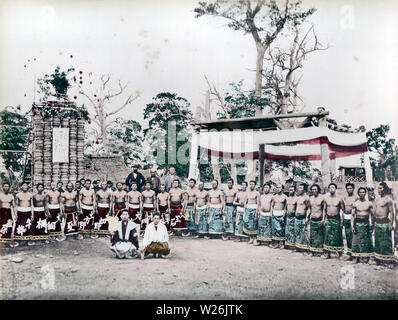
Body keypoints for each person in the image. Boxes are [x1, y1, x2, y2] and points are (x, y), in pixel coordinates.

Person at [373, 182, 395, 266]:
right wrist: (373, 222)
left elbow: (392, 212)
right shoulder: (377, 199)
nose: (379, 190)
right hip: (377, 223)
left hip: (385, 222)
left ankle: (388, 260)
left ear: (384, 189)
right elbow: (374, 211)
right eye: (378, 188)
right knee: (378, 241)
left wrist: (391, 224)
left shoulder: (388, 200)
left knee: (386, 241)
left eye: (381, 188)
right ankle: (379, 259)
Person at [351, 187, 374, 263]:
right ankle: (356, 257)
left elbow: (372, 215)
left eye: (363, 192)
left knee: (366, 240)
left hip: (366, 223)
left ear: (365, 193)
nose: (361, 194)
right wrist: (352, 225)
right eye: (360, 192)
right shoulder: (355, 203)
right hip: (357, 223)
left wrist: (372, 225)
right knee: (356, 240)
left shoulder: (369, 203)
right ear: (358, 193)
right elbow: (352, 215)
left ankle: (366, 257)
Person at [323, 183, 344, 259]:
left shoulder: (339, 198)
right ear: (328, 189)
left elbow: (342, 210)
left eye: (333, 187)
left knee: (337, 236)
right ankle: (327, 253)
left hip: (337, 219)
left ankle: (340, 253)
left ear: (335, 189)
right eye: (330, 188)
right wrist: (324, 219)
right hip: (329, 219)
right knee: (328, 236)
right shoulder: (326, 199)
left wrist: (342, 221)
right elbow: (324, 210)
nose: (331, 189)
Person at [13, 181, 34, 246]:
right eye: (23, 185)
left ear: (28, 187)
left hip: (28, 211)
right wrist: (15, 214)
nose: (25, 187)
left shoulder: (30, 195)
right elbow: (16, 205)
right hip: (20, 212)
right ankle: (18, 240)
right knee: (20, 225)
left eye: (26, 185)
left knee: (28, 226)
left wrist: (32, 214)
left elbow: (32, 205)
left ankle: (28, 240)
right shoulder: (18, 195)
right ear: (21, 186)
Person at [308, 184, 325, 256]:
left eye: (315, 189)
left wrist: (323, 219)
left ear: (318, 189)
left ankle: (321, 251)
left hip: (320, 218)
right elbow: (309, 209)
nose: (314, 191)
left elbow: (324, 209)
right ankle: (312, 251)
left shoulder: (322, 198)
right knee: (312, 236)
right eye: (313, 189)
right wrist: (307, 217)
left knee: (320, 236)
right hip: (313, 219)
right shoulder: (310, 198)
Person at [342, 183, 357, 260]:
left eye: (351, 188)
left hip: (353, 218)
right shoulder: (344, 197)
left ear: (353, 189)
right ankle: (349, 251)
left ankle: (355, 253)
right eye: (348, 188)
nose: (349, 190)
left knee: (354, 235)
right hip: (346, 217)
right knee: (347, 234)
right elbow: (343, 209)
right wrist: (342, 219)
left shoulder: (356, 198)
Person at [295, 183, 310, 254]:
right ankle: (298, 247)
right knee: (297, 232)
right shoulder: (297, 197)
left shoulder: (306, 198)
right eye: (299, 188)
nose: (299, 189)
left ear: (304, 189)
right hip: (297, 217)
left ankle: (305, 249)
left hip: (303, 217)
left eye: (301, 188)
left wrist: (307, 217)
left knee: (304, 233)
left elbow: (308, 208)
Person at [243, 180, 259, 245]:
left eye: (253, 184)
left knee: (254, 224)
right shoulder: (247, 193)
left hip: (254, 209)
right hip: (248, 209)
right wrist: (244, 211)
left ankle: (255, 239)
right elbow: (245, 203)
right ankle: (251, 238)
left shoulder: (257, 193)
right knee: (249, 224)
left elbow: (258, 203)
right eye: (250, 184)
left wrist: (256, 212)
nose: (251, 185)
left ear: (255, 185)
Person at [270, 183, 287, 249]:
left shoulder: (285, 197)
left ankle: (282, 243)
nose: (278, 188)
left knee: (281, 229)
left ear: (282, 188)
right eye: (277, 187)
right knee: (275, 229)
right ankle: (276, 243)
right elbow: (272, 206)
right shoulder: (274, 197)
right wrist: (271, 214)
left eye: (279, 187)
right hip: (275, 213)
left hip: (281, 214)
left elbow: (285, 207)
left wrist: (283, 216)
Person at [0, 182, 15, 246]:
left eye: (7, 186)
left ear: (9, 187)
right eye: (5, 186)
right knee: (1, 226)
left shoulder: (11, 196)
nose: (6, 188)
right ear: (2, 187)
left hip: (9, 212)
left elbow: (14, 206)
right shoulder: (0, 195)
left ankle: (8, 241)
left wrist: (15, 214)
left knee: (9, 226)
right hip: (1, 212)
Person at [285, 185, 297, 250]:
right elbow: (285, 208)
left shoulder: (296, 198)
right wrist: (284, 216)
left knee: (294, 231)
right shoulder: (287, 198)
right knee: (288, 231)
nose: (290, 191)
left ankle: (294, 245)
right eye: (290, 190)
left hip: (294, 217)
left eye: (292, 190)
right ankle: (288, 244)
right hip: (288, 216)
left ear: (295, 190)